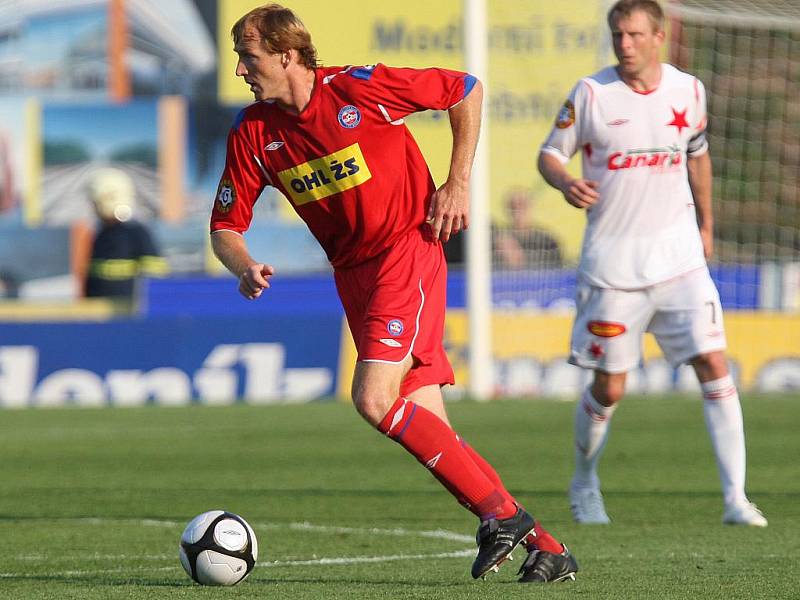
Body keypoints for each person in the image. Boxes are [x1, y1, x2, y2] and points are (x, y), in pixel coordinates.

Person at [210, 3, 577, 583]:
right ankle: (548, 549)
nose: (240, 70)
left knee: (374, 399)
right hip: (353, 277)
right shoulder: (254, 131)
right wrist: (243, 264)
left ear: (287, 54)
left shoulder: (358, 88)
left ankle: (501, 515)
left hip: (405, 254)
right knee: (428, 427)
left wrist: (456, 184)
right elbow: (225, 227)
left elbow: (465, 89)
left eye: (248, 57)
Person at [537, 0, 767, 527]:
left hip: (680, 259)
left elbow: (698, 153)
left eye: (635, 35)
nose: (624, 44)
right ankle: (584, 481)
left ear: (659, 37)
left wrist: (707, 224)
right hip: (613, 268)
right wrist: (565, 180)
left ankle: (736, 498)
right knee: (610, 386)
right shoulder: (592, 94)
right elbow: (550, 153)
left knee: (714, 362)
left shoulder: (688, 90)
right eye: (618, 35)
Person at [85, 167, 168, 300]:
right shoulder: (101, 233)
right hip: (101, 311)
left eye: (96, 202)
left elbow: (155, 276)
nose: (93, 206)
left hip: (128, 312)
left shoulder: (136, 233)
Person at [493, 188, 562, 269]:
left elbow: (558, 270)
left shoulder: (547, 240)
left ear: (531, 207)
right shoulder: (499, 240)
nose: (518, 211)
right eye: (513, 206)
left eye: (522, 205)